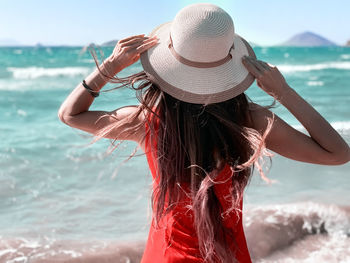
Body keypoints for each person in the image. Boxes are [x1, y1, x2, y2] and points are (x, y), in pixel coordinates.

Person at [58, 3, 350, 263]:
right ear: (230, 59)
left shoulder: (150, 119)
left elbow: (70, 115)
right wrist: (283, 92)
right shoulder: (250, 119)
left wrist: (109, 66)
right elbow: (338, 154)